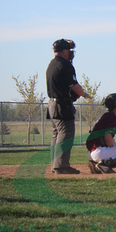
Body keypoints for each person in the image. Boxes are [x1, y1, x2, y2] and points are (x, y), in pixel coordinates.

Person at [46, 39, 92, 174]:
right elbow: (74, 85)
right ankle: (61, 166)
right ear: (65, 51)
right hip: (61, 105)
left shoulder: (52, 64)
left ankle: (55, 165)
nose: (71, 53)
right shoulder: (65, 65)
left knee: (56, 134)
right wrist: (83, 94)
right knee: (66, 133)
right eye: (69, 50)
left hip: (52, 103)